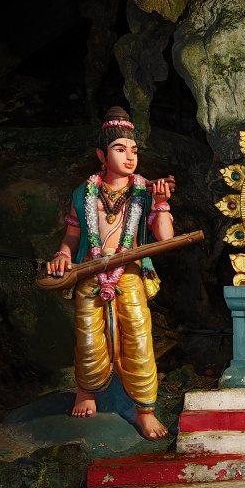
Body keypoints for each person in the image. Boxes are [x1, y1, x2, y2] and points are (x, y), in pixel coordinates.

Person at [45, 106, 174, 440]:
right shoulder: (82, 193)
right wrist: (62, 253)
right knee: (87, 335)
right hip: (89, 271)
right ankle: (86, 392)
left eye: (133, 150)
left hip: (129, 274)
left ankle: (145, 410)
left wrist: (161, 204)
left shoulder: (144, 191)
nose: (129, 157)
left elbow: (165, 238)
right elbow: (73, 235)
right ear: (101, 154)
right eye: (120, 149)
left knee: (139, 337)